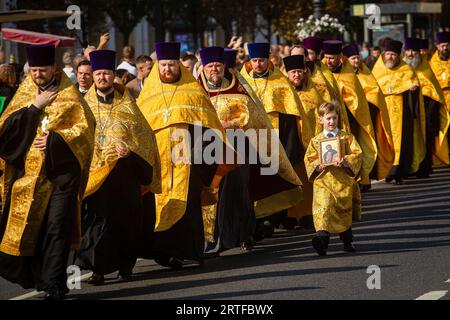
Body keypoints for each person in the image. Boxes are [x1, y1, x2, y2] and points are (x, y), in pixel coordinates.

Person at [0, 44, 95, 300]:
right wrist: (33, 107)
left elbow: (85, 131)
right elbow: (6, 131)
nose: (38, 74)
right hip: (28, 178)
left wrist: (56, 140)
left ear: (54, 68)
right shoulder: (25, 93)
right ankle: (37, 277)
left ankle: (54, 283)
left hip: (61, 176)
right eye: (34, 70)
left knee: (57, 227)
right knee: (33, 227)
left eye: (43, 69)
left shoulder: (69, 95)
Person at [197, 46, 302, 253]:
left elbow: (254, 115)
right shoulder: (196, 92)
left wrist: (233, 123)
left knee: (239, 193)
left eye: (218, 65)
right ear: (204, 68)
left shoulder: (238, 89)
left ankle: (244, 234)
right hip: (209, 151)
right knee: (212, 196)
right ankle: (213, 239)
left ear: (224, 66)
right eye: (210, 66)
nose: (214, 69)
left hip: (238, 149)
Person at [137, 42, 229, 269]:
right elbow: (138, 129)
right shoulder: (148, 93)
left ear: (179, 66)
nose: (167, 69)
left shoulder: (193, 91)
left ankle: (192, 250)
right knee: (159, 206)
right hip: (159, 164)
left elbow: (209, 129)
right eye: (164, 65)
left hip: (189, 163)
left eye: (172, 65)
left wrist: (199, 160)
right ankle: (164, 253)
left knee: (189, 208)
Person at [74, 50, 161, 285]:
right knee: (98, 222)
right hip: (96, 176)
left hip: (125, 175)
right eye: (98, 73)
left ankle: (125, 267)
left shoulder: (129, 107)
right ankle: (99, 269)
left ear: (114, 76)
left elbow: (145, 138)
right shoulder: (82, 107)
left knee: (127, 221)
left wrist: (131, 151)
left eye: (106, 73)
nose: (102, 77)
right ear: (93, 76)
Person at [240, 42, 306, 234]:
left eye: (261, 60)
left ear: (268, 60)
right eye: (255, 61)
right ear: (250, 61)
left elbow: (291, 114)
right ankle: (255, 222)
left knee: (275, 178)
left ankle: (273, 218)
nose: (258, 64)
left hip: (276, 139)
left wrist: (291, 145)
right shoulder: (242, 83)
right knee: (254, 180)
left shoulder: (281, 82)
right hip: (251, 140)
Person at [305, 101, 362, 256]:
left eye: (334, 118)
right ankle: (321, 241)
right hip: (323, 182)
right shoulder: (315, 141)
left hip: (342, 181)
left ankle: (347, 241)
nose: (331, 122)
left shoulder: (346, 137)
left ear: (338, 118)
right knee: (323, 210)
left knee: (341, 211)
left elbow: (357, 154)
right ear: (320, 120)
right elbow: (309, 159)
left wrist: (345, 161)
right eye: (328, 118)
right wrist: (318, 165)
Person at [322, 40, 377, 192]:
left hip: (350, 119)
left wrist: (342, 99)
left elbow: (357, 98)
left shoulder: (349, 73)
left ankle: (355, 180)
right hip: (328, 120)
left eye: (331, 58)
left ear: (340, 57)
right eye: (326, 57)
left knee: (351, 150)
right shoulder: (320, 72)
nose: (328, 61)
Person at [372, 40, 426, 184]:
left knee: (402, 142)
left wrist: (413, 90)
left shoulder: (406, 70)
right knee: (384, 141)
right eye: (388, 54)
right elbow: (371, 89)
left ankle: (398, 170)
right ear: (384, 55)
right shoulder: (377, 70)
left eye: (393, 55)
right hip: (382, 113)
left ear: (398, 56)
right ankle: (386, 169)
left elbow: (414, 84)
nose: (390, 57)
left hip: (402, 114)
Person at [342, 43, 395, 184]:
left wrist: (367, 101)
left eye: (358, 58)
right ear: (346, 60)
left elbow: (374, 91)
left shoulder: (365, 73)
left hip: (365, 117)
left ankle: (365, 179)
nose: (356, 61)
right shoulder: (343, 75)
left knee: (365, 147)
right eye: (353, 58)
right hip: (349, 117)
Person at [283, 54, 321, 224]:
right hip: (289, 143)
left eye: (299, 71)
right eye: (293, 72)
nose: (296, 75)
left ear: (305, 73)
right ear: (287, 74)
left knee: (307, 180)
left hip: (308, 143)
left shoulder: (313, 94)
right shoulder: (282, 94)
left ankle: (307, 214)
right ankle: (289, 217)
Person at [403, 38, 449, 176]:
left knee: (426, 139)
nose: (411, 54)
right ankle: (409, 168)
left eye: (413, 51)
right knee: (408, 140)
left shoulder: (425, 69)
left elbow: (433, 89)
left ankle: (423, 167)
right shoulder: (401, 69)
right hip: (407, 111)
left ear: (419, 53)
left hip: (426, 110)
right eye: (408, 51)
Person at [429, 32, 450, 162]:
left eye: (447, 45)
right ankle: (444, 154)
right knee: (443, 128)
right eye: (443, 46)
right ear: (438, 46)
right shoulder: (432, 63)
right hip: (440, 101)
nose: (445, 48)